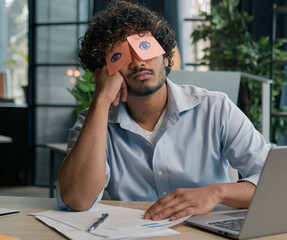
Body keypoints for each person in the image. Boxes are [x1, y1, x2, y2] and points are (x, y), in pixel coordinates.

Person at [57, 0, 270, 221]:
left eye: (145, 48)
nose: (138, 62)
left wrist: (216, 193)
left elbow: (273, 181)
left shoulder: (216, 108)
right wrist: (101, 100)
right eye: (121, 56)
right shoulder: (93, 121)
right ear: (105, 71)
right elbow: (77, 200)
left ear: (165, 57)